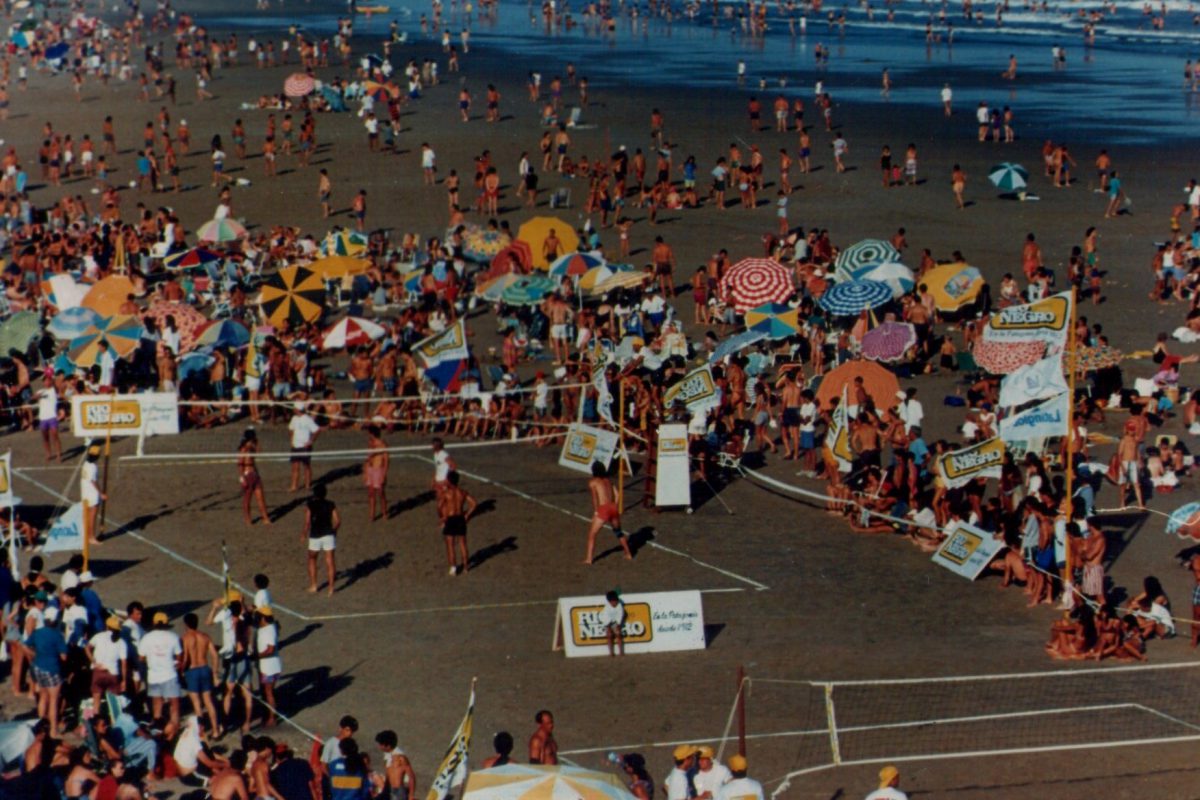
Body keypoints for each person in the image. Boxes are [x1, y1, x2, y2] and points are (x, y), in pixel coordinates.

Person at [138, 611, 183, 740]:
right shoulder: (173, 636)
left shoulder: (147, 637)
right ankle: (175, 726)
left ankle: (157, 727)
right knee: (174, 703)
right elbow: (179, 656)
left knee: (157, 703)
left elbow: (141, 658)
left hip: (154, 675)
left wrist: (152, 661)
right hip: (169, 674)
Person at [24, 604, 67, 735]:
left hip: (38, 666)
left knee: (43, 697)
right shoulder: (57, 635)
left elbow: (25, 645)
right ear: (55, 620)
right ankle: (53, 730)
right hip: (52, 669)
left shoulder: (38, 632)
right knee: (54, 701)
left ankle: (40, 727)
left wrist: (34, 654)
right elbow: (64, 656)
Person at [584, 462, 634, 564]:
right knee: (618, 532)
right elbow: (617, 494)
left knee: (592, 534)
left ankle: (589, 559)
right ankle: (628, 553)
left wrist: (596, 512)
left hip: (603, 509)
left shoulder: (593, 482)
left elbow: (595, 499)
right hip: (613, 507)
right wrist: (614, 505)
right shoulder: (609, 481)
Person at [181, 612, 221, 736]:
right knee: (208, 701)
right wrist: (214, 673)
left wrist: (181, 670)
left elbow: (186, 658)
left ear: (186, 624)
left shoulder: (185, 638)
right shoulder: (205, 636)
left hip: (192, 671)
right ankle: (215, 730)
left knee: (197, 704)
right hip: (204, 668)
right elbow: (214, 655)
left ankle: (201, 732)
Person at [438, 471, 478, 576]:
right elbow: (474, 504)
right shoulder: (462, 492)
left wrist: (442, 517)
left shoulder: (446, 493)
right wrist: (467, 515)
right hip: (460, 519)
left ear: (449, 481)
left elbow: (440, 506)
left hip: (451, 519)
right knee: (462, 543)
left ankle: (453, 568)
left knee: (450, 545)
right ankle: (465, 566)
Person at [303, 483, 341, 595]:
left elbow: (307, 522)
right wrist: (334, 531)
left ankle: (314, 585)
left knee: (312, 559)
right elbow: (337, 521)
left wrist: (304, 533)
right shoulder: (330, 504)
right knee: (330, 561)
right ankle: (331, 588)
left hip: (315, 535)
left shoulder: (310, 504)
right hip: (328, 534)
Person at [238, 428, 271, 526]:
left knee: (261, 498)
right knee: (247, 499)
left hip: (255, 474)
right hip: (247, 474)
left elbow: (259, 451)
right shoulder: (243, 449)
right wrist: (242, 478)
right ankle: (248, 519)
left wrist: (256, 442)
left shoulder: (252, 447)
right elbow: (240, 464)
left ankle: (265, 518)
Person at [256, 607, 282, 728]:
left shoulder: (269, 630)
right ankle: (268, 715)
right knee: (268, 692)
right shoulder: (267, 628)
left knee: (269, 692)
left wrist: (257, 656)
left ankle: (272, 718)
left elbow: (270, 649)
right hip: (269, 666)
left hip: (269, 667)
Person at [288, 401, 321, 492]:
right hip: (295, 445)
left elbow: (317, 430)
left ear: (298, 409)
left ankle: (307, 485)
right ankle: (294, 486)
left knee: (306, 465)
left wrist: (311, 441)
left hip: (305, 446)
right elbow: (290, 429)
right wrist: (291, 440)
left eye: (295, 408)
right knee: (295, 466)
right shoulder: (294, 418)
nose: (293, 410)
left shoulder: (307, 419)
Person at [375, 730, 417, 800]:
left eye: (381, 744)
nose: (379, 747)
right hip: (390, 789)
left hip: (399, 790)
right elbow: (388, 776)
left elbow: (411, 777)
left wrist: (411, 795)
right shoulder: (387, 756)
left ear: (388, 745)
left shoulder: (401, 758)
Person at [81, 445, 105, 548]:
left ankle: (86, 535)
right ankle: (91, 537)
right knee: (92, 517)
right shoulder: (93, 467)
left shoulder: (85, 464)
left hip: (85, 492)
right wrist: (101, 493)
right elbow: (93, 481)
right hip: (92, 494)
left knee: (86, 516)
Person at [364, 425, 389, 522]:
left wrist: (384, 473)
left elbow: (386, 460)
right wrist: (365, 473)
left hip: (378, 469)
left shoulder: (382, 444)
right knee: (371, 493)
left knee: (381, 493)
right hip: (370, 469)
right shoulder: (370, 443)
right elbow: (367, 459)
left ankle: (384, 513)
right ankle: (372, 514)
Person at [598, 590, 626, 656]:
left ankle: (621, 652)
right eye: (613, 601)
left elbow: (620, 615)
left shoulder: (619, 606)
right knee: (609, 636)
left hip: (615, 622)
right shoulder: (606, 608)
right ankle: (611, 652)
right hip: (606, 622)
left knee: (618, 634)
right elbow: (606, 619)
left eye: (616, 601)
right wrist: (609, 628)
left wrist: (618, 625)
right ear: (609, 602)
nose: (615, 603)